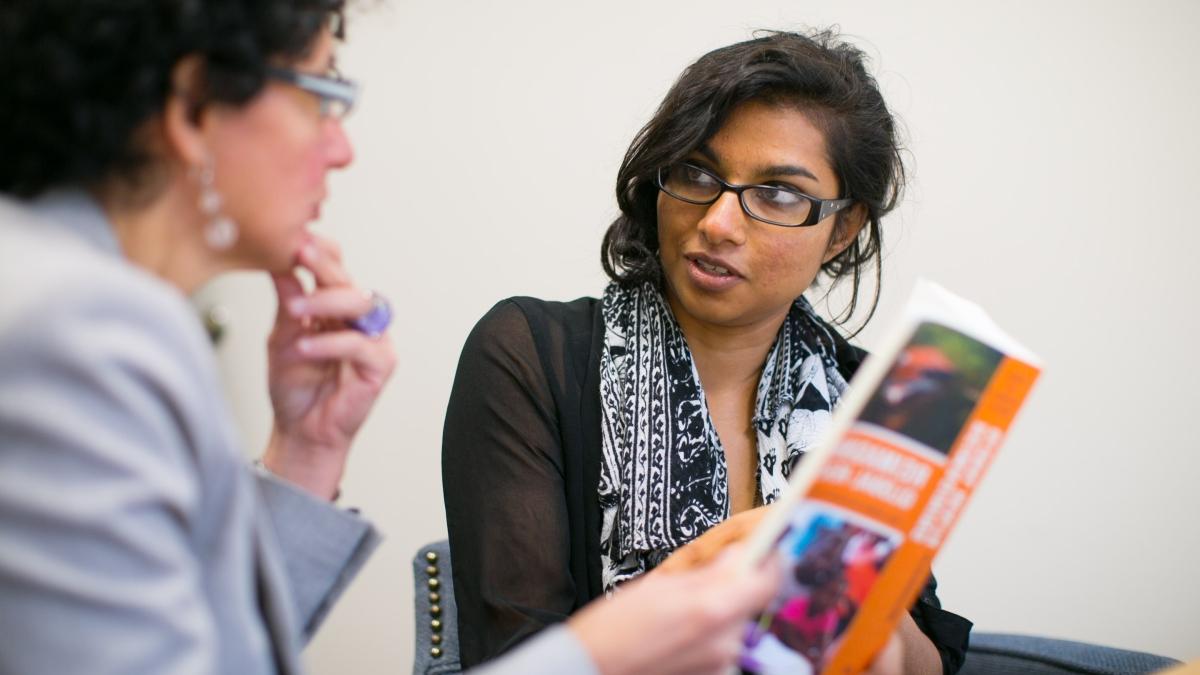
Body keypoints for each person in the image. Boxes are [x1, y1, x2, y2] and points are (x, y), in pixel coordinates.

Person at [0, 3, 780, 674]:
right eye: (323, 95)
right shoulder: (76, 334)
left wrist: (304, 451)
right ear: (194, 107)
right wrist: (603, 649)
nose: (342, 148)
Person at [442, 29, 973, 674]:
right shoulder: (530, 353)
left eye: (779, 192)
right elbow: (516, 654)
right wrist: (718, 569)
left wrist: (864, 612)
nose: (717, 223)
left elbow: (928, 663)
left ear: (843, 229)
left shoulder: (872, 396)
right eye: (697, 173)